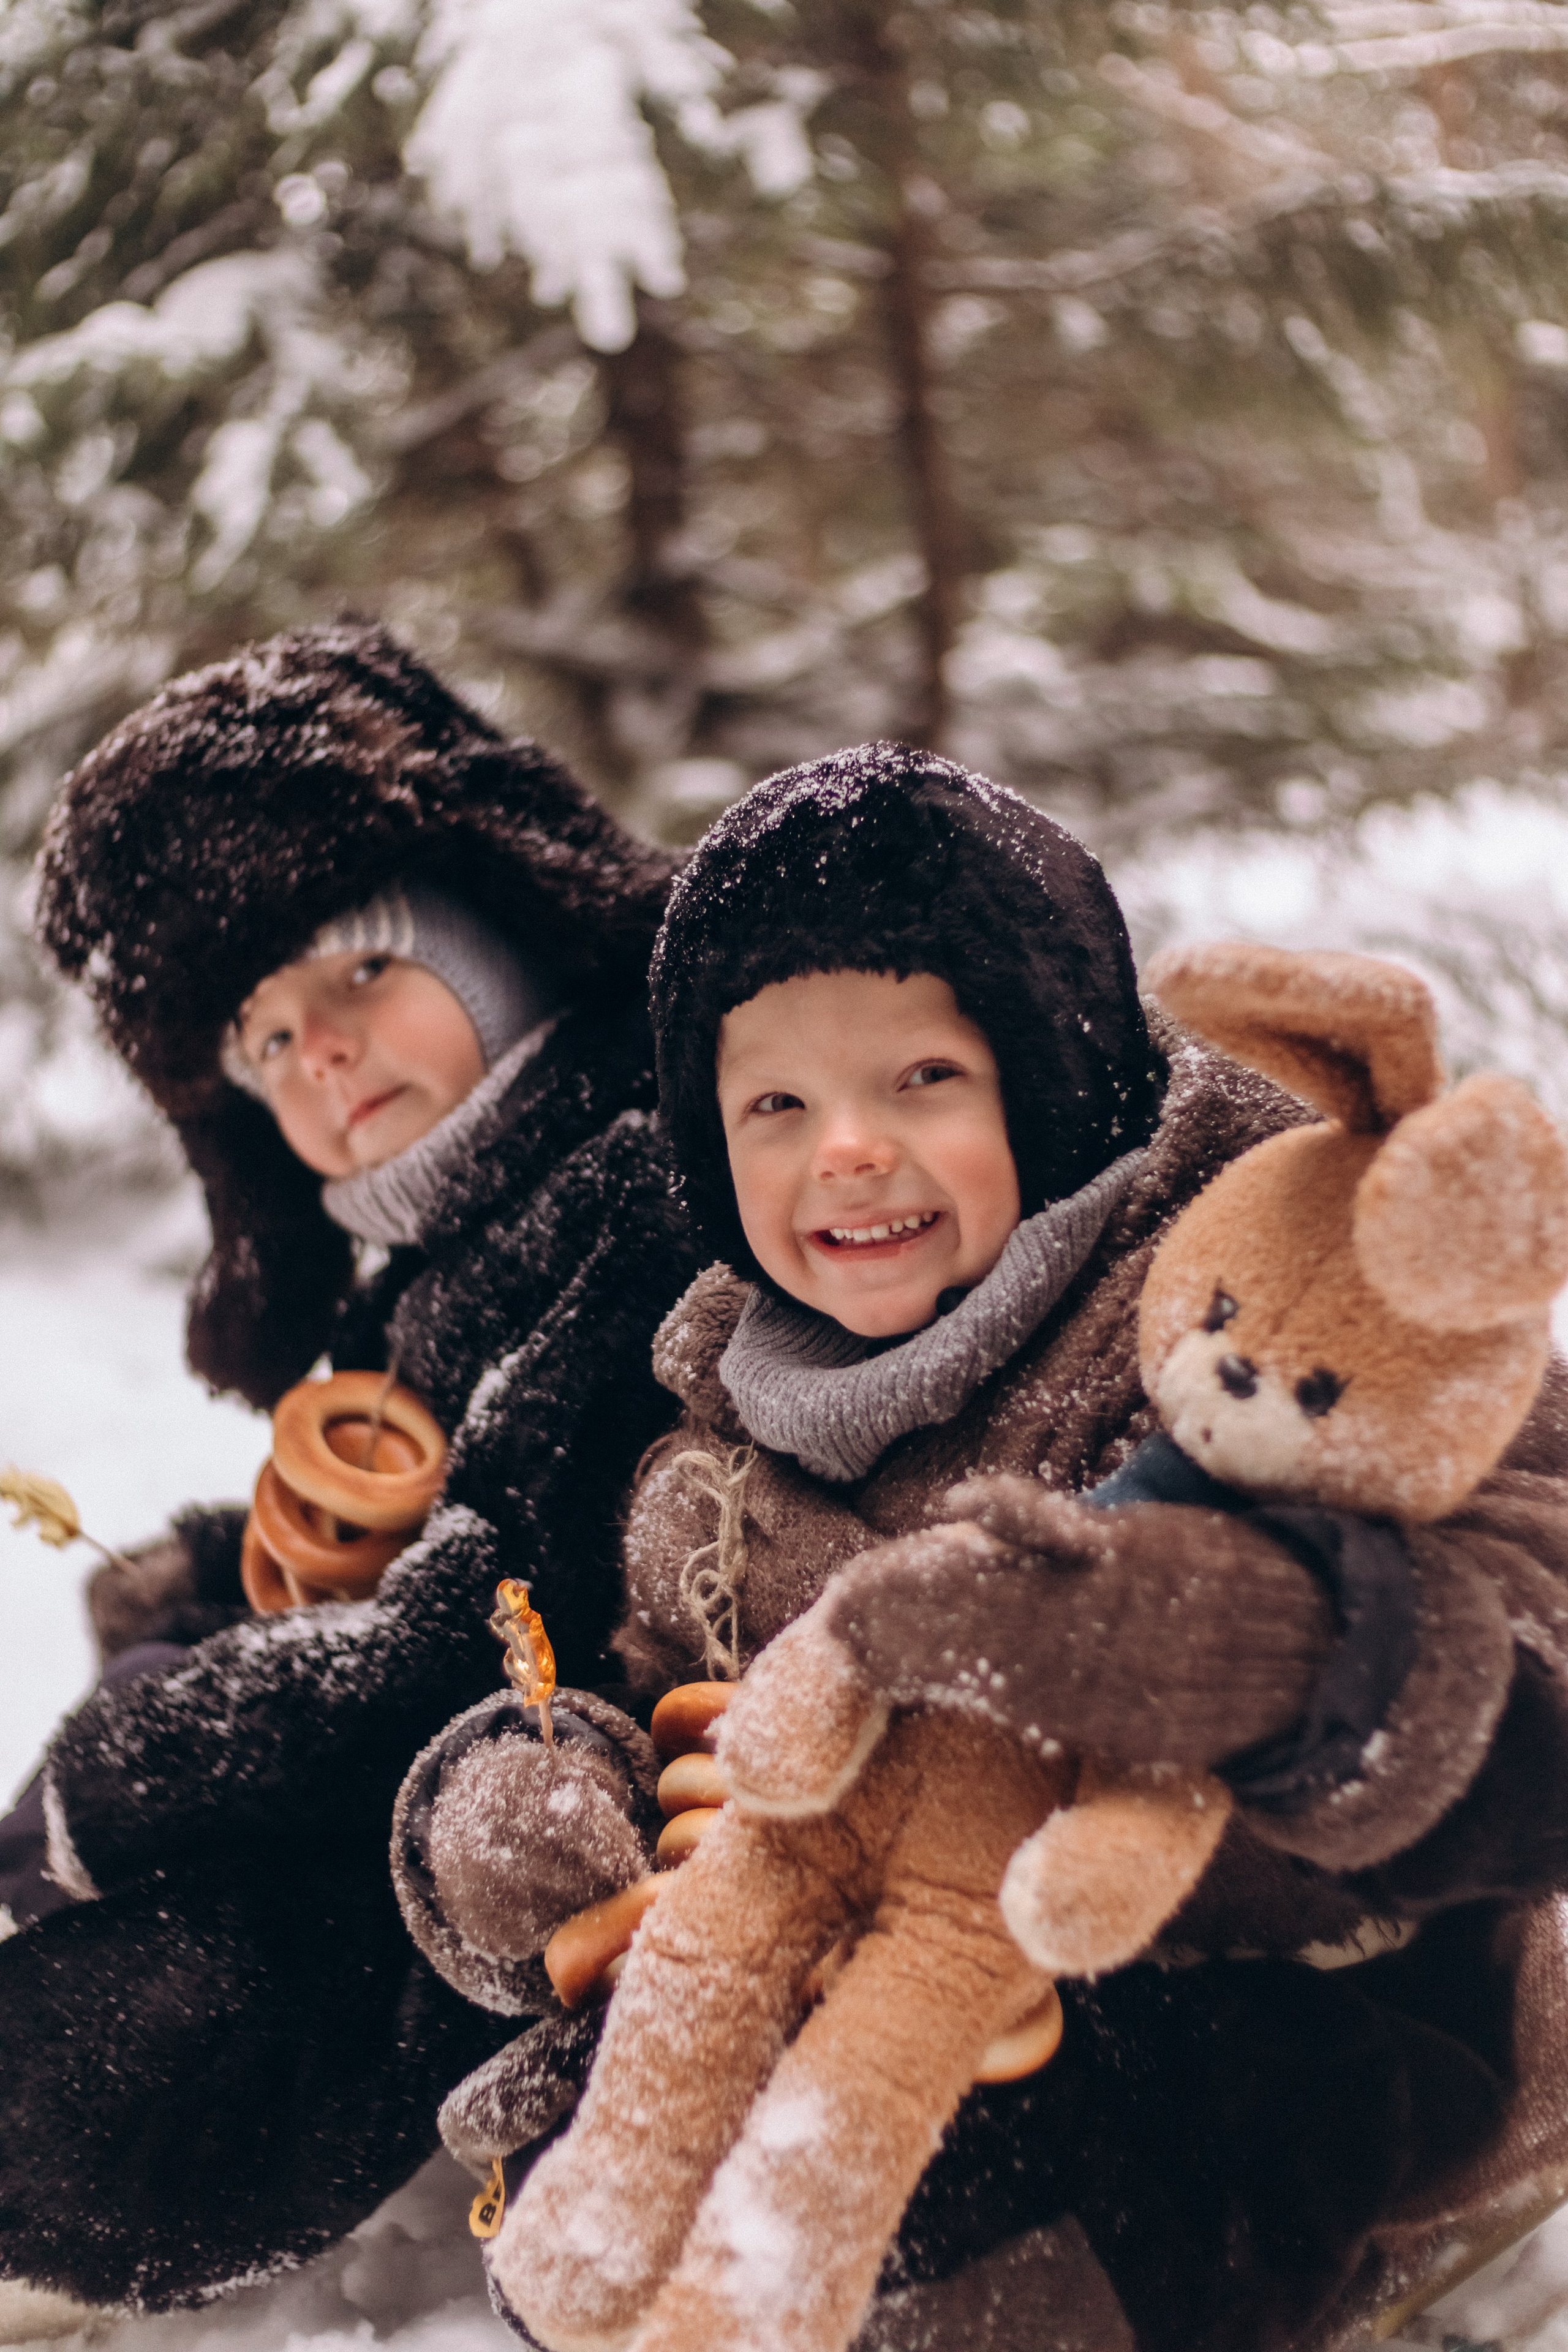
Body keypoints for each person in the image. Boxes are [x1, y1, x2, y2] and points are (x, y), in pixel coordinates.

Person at [397, 743, 1568, 2352]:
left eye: (921, 1081)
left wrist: (1269, 1651)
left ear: (1051, 1071)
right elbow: (647, 1681)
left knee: (932, 2243)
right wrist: (555, 1795)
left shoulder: (1277, 1285)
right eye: (778, 1106)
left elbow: (1534, 1601)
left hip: (1313, 2024)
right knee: (631, 2198)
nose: (848, 1151)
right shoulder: (719, 1431)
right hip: (877, 1993)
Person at [0, 620, 698, 2339]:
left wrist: (135, 1759)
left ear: (490, 905)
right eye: (259, 1036)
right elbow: (420, 1515)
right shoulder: (444, 1241)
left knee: (113, 2063)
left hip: (582, 1807)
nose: (318, 1049)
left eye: (357, 970)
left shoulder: (645, 1164)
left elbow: (480, 1605)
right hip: (455, 1764)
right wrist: (210, 1578)